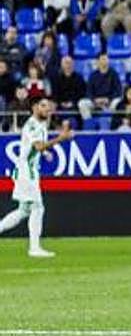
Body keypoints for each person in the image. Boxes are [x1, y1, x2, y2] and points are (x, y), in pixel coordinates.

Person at [0, 97, 72, 257]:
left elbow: (34, 147)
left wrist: (44, 153)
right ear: (34, 108)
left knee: (24, 210)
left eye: (48, 106)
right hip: (27, 172)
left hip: (26, 171)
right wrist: (61, 138)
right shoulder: (33, 125)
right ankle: (34, 248)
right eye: (43, 106)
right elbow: (38, 145)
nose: (47, 109)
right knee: (38, 208)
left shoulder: (39, 124)